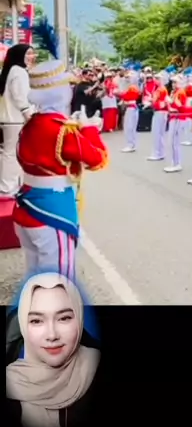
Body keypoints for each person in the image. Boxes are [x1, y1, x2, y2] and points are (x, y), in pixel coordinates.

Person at [13, 59, 108, 279]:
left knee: (35, 273)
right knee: (59, 278)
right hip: (52, 210)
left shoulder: (31, 124)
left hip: (27, 205)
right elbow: (97, 159)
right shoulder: (62, 130)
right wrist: (90, 129)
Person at [6, 272, 100, 427]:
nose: (52, 335)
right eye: (36, 321)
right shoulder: (10, 381)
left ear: (79, 319)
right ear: (22, 325)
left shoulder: (96, 365)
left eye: (64, 318)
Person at [0, 44, 36, 197]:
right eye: (28, 53)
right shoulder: (19, 71)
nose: (32, 57)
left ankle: (8, 185)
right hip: (15, 119)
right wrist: (28, 113)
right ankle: (7, 187)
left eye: (33, 53)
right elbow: (20, 96)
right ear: (19, 55)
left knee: (7, 152)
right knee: (12, 154)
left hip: (7, 119)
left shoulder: (9, 70)